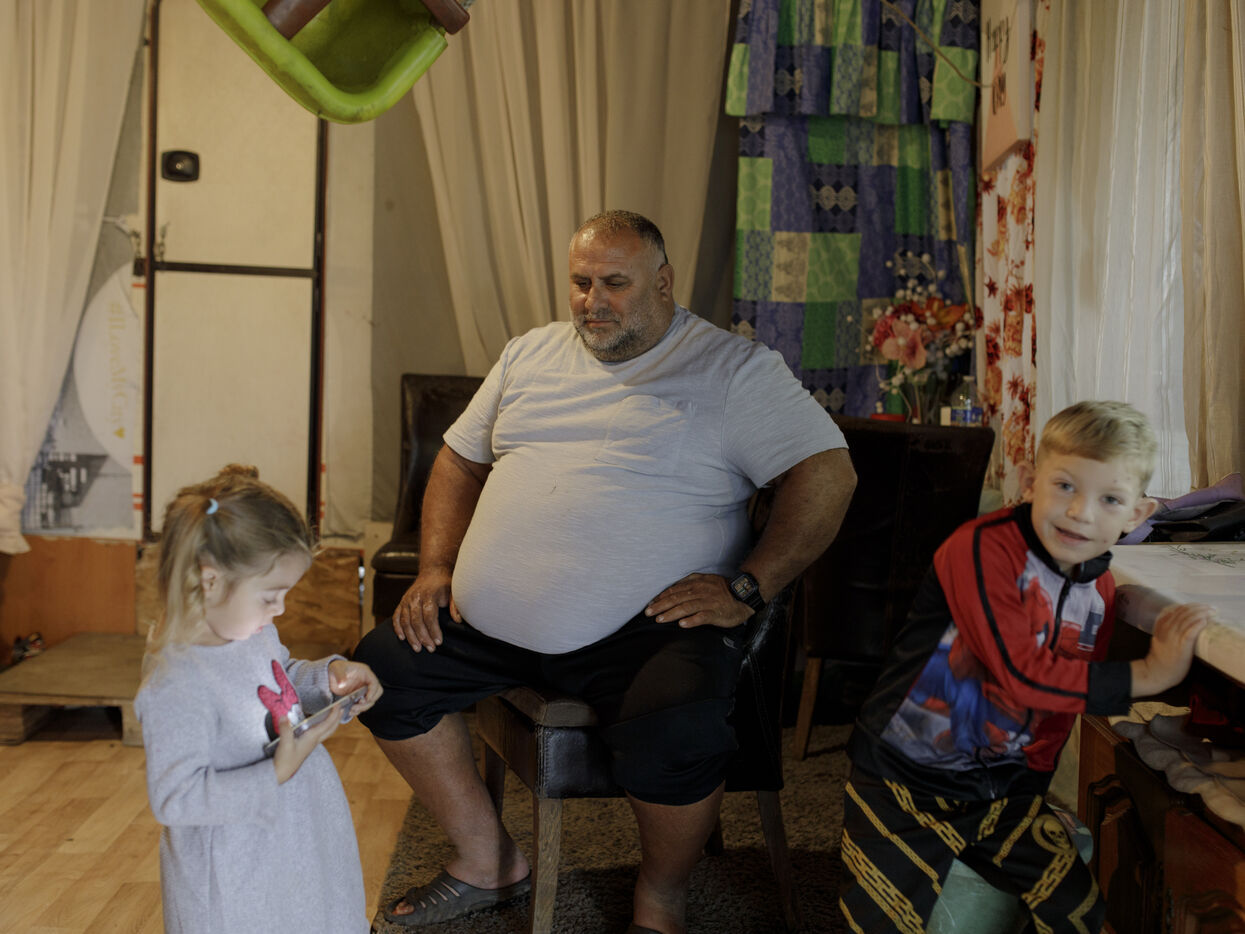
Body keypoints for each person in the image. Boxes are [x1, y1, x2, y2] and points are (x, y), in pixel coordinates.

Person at [353, 209, 857, 932]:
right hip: (490, 621)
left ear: (663, 282)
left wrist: (748, 586)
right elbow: (459, 459)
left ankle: (661, 897)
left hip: (647, 626)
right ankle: (488, 860)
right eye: (581, 283)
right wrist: (435, 566)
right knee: (381, 672)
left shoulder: (733, 369)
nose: (593, 301)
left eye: (615, 283)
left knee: (678, 733)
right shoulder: (529, 354)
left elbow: (828, 474)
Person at [840, 401, 1216, 933]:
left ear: (1136, 515)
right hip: (907, 782)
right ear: (1030, 481)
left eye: (1109, 499)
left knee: (1079, 911)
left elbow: (1061, 706)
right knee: (881, 923)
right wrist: (1151, 674)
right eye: (1065, 486)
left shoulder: (1098, 585)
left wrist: (1032, 783)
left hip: (1005, 791)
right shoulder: (982, 549)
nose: (1081, 512)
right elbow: (1022, 676)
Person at [135, 465, 383, 934]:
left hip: (293, 838)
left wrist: (327, 679)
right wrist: (275, 772)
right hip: (235, 873)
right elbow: (176, 799)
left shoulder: (251, 630)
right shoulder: (176, 684)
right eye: (271, 595)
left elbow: (278, 677)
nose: (280, 608)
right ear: (210, 580)